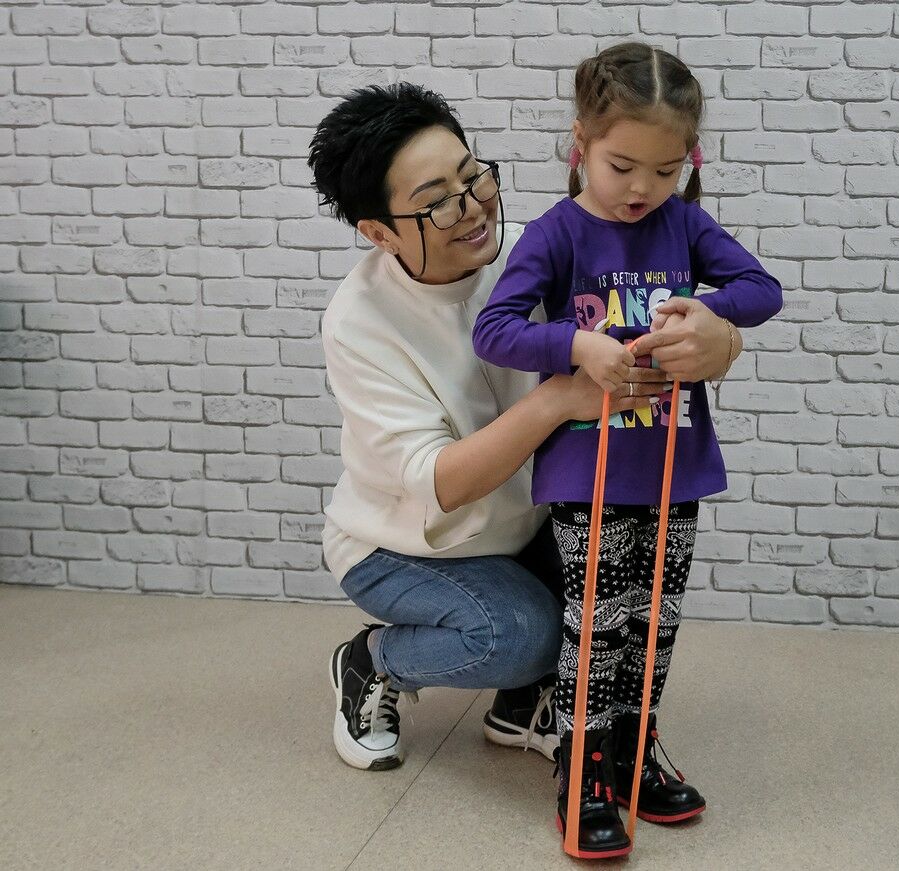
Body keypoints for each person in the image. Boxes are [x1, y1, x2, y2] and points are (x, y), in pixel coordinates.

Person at [305, 83, 747, 775]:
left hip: (531, 521)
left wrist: (721, 341)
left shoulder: (537, 249)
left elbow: (658, 327)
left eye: (473, 176)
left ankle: (521, 708)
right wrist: (559, 400)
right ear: (380, 232)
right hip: (406, 545)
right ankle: (373, 659)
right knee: (521, 635)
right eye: (437, 200)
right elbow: (438, 485)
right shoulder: (358, 322)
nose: (472, 206)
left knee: (621, 598)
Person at [472, 43, 783, 858]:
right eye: (621, 166)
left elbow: (763, 290)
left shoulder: (685, 224)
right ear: (580, 142)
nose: (642, 187)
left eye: (666, 170)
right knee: (597, 629)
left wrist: (710, 316)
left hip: (675, 467)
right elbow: (494, 330)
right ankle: (582, 767)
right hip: (589, 474)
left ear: (689, 161)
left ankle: (633, 752)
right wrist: (575, 345)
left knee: (655, 625)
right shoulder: (558, 231)